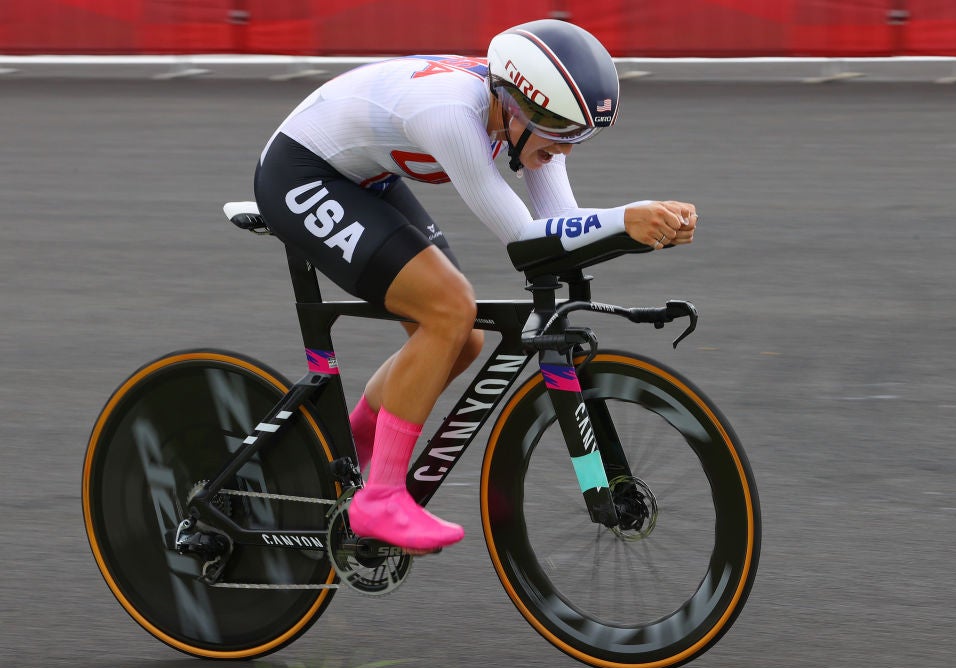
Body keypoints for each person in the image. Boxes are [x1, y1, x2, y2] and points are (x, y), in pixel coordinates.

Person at [253, 19, 697, 553]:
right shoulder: (451, 115)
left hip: (365, 177)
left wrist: (645, 230)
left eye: (578, 134)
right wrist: (627, 220)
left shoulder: (519, 119)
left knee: (461, 340)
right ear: (513, 102)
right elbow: (524, 238)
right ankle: (381, 500)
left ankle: (347, 453)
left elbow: (562, 225)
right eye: (558, 129)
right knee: (448, 310)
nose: (565, 149)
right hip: (302, 173)